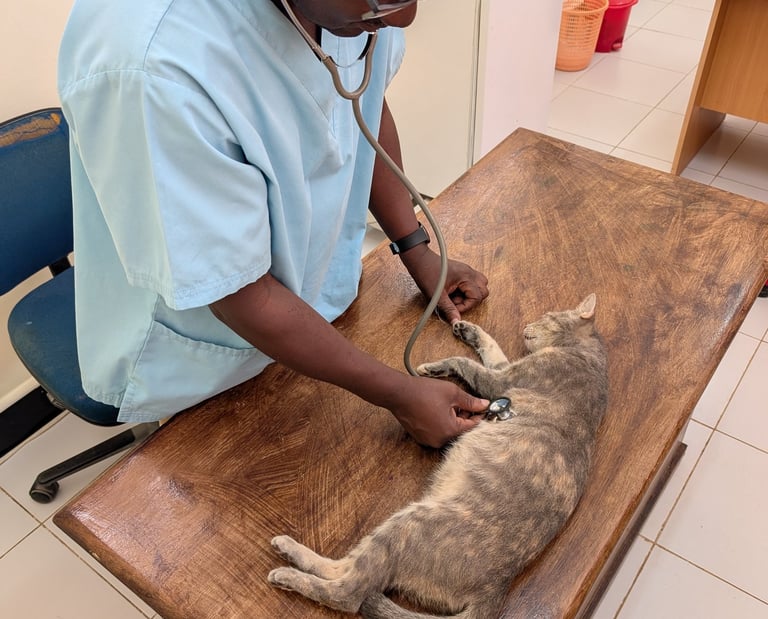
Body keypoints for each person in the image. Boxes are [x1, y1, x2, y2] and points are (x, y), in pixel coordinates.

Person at [57, 0, 490, 448]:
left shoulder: (356, 12)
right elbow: (233, 291)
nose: (404, 19)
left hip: (306, 307)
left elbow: (361, 104)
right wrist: (398, 393)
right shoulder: (154, 60)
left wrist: (416, 249)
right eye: (382, 0)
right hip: (199, 348)